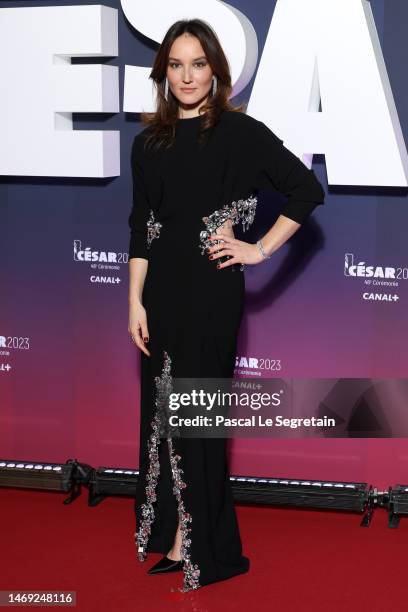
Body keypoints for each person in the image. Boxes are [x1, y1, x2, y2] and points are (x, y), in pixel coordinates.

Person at [127, 18, 325, 592]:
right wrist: (134, 302)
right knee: (162, 417)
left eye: (198, 64)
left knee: (197, 418)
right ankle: (174, 533)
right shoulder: (149, 144)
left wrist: (258, 249)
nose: (187, 76)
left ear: (216, 71)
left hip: (212, 293)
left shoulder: (240, 135)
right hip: (159, 294)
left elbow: (305, 190)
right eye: (176, 65)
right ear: (163, 72)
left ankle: (206, 547)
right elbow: (141, 227)